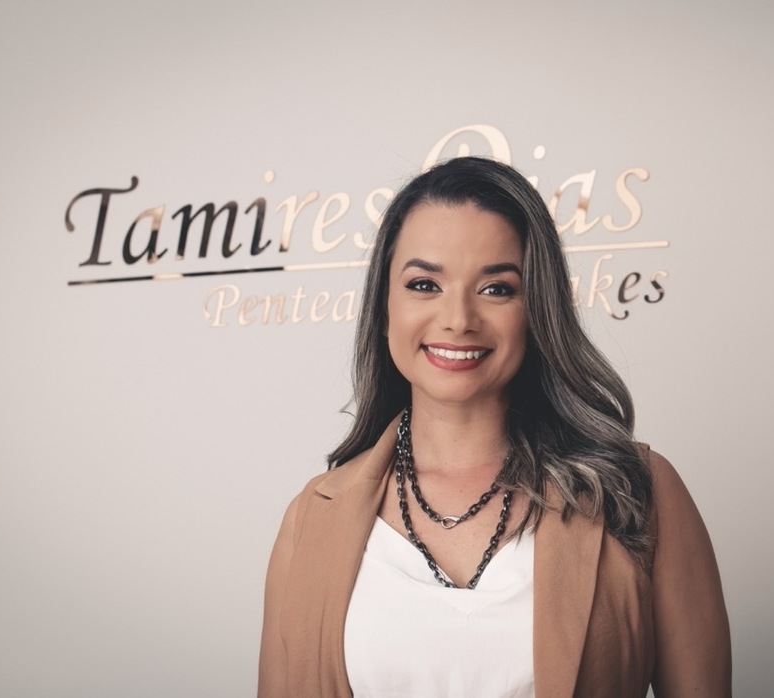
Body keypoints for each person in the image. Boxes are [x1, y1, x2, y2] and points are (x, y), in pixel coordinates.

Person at [258, 156, 730, 697]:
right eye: (424, 284)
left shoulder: (637, 493)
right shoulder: (311, 518)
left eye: (496, 289)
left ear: (537, 308)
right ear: (385, 308)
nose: (458, 319)